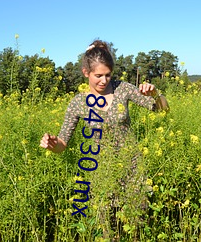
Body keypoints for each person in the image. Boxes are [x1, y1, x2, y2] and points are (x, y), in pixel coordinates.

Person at [40, 39, 169, 238]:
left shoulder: (122, 89)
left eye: (108, 75)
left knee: (137, 227)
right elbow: (63, 143)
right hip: (100, 173)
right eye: (98, 75)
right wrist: (52, 144)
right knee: (106, 231)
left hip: (132, 168)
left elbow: (162, 110)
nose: (104, 80)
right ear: (86, 73)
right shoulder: (78, 103)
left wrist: (156, 94)